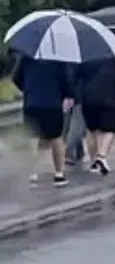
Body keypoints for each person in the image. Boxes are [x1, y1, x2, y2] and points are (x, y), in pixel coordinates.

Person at [11, 55, 75, 186]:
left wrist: (28, 89)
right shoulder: (59, 57)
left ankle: (32, 173)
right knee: (56, 137)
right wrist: (66, 95)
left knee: (32, 138)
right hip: (53, 103)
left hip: (32, 102)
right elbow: (66, 80)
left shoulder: (27, 56)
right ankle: (59, 174)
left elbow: (16, 78)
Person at [75, 58, 115, 175]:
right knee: (109, 128)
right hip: (108, 96)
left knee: (92, 129)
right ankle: (101, 155)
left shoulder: (83, 55)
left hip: (88, 97)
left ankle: (93, 162)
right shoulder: (110, 54)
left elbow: (75, 75)